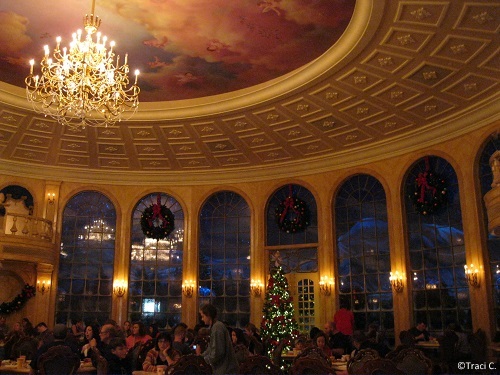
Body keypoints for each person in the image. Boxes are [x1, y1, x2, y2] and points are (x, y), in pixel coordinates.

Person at [196, 303, 239, 375]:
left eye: (203, 316)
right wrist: (201, 357)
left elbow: (217, 353)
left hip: (226, 370)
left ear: (209, 315)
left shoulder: (217, 328)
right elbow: (211, 348)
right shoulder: (215, 327)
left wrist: (203, 360)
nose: (202, 319)